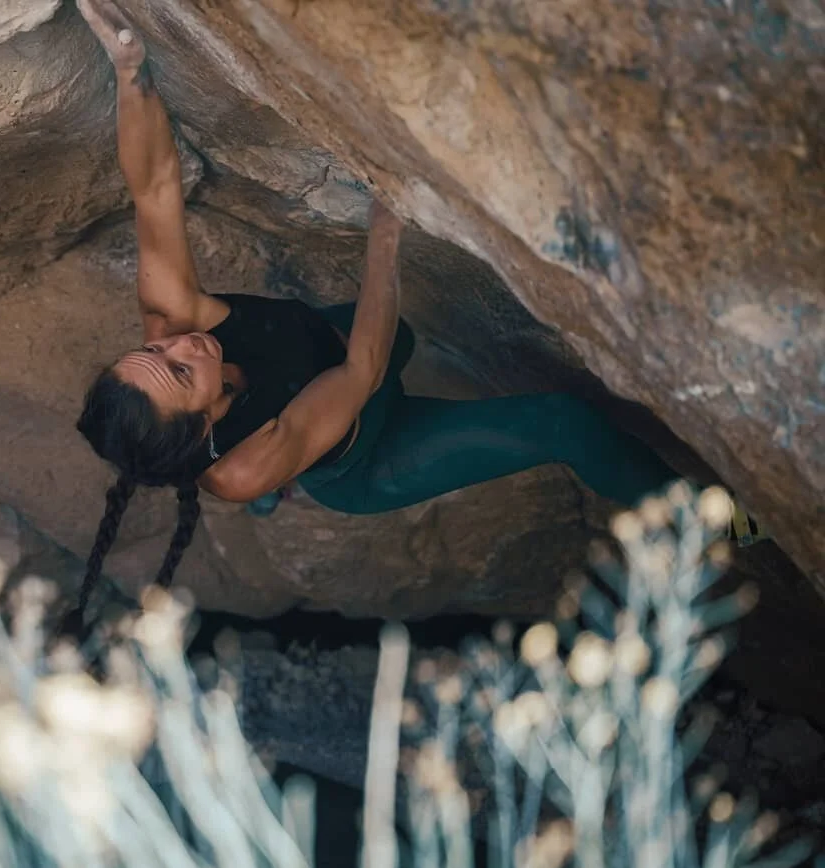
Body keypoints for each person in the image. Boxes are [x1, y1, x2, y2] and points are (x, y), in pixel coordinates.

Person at [67, 0, 756, 631]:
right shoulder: (240, 465)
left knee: (405, 333)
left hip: (320, 349)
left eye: (155, 353)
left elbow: (155, 186)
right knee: (561, 423)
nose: (180, 344)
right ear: (206, 422)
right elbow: (362, 370)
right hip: (372, 448)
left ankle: (291, 473)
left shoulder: (170, 322)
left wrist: (131, 70)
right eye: (181, 372)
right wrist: (388, 222)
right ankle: (704, 523)